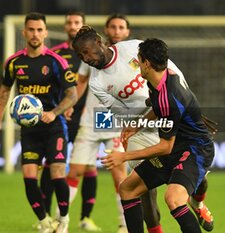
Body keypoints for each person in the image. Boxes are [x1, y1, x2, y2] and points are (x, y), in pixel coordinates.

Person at [101, 38, 215, 233]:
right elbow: (157, 106)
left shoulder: (169, 96)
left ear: (146, 63)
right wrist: (137, 125)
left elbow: (165, 147)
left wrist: (123, 156)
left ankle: (198, 204)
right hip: (178, 146)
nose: (136, 64)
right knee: (127, 189)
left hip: (195, 150)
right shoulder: (161, 78)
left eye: (138, 60)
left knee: (174, 198)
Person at [0, 12, 77, 233]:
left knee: (57, 171)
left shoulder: (56, 61)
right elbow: (4, 91)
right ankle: (45, 221)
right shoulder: (14, 62)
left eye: (39, 30)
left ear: (46, 33)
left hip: (54, 127)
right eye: (31, 30)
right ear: (24, 32)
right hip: (29, 130)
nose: (35, 34)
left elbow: (72, 94)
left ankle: (63, 220)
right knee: (29, 176)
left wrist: (54, 112)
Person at [63, 14, 133, 233]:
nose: (117, 30)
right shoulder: (91, 53)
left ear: (127, 32)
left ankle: (124, 224)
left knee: (119, 174)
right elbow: (81, 81)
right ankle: (59, 222)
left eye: (121, 27)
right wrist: (71, 103)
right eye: (113, 27)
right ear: (105, 31)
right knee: (74, 171)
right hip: (91, 118)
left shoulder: (130, 53)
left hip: (116, 120)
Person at [38, 11, 88, 223]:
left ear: (83, 26)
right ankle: (46, 214)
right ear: (65, 26)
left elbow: (90, 83)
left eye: (77, 22)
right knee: (52, 163)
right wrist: (62, 107)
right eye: (69, 22)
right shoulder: (55, 53)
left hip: (85, 116)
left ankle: (85, 218)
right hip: (61, 115)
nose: (73, 25)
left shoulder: (91, 53)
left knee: (87, 167)